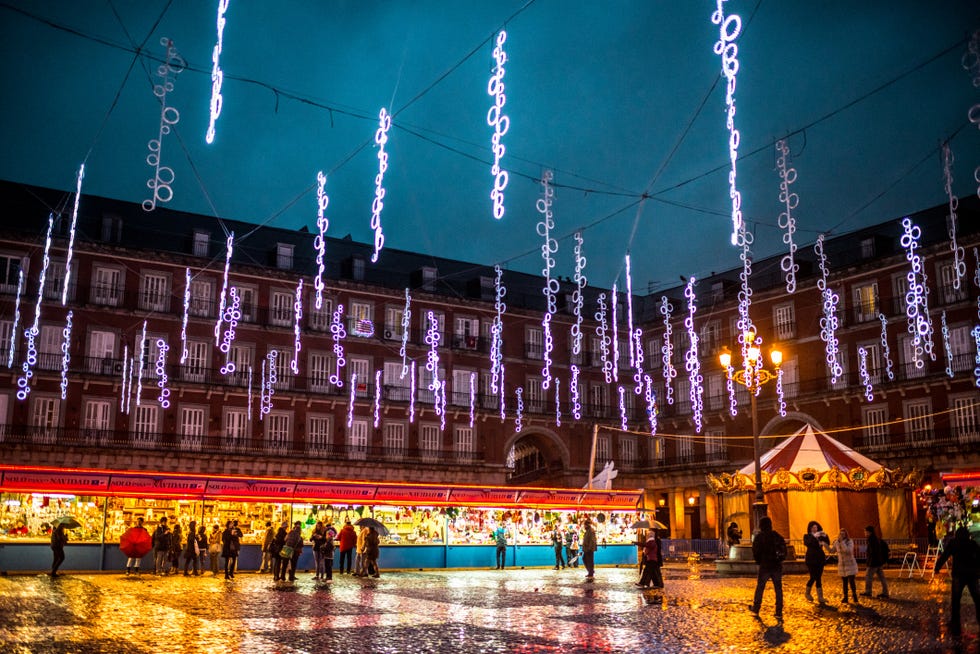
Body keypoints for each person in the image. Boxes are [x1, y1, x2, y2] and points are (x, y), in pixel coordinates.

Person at [934, 526, 980, 638]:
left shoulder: (954, 543)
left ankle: (955, 624)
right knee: (977, 599)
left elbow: (945, 555)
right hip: (972, 575)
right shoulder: (972, 544)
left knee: (955, 600)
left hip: (959, 575)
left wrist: (937, 567)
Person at [749, 516, 786, 619]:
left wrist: (759, 561)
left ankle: (756, 608)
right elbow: (783, 549)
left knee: (760, 587)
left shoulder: (759, 537)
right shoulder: (776, 536)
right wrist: (780, 559)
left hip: (765, 565)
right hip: (776, 566)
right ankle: (778, 611)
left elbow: (755, 551)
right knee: (778, 588)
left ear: (761, 526)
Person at [803, 520, 830, 603]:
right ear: (810, 528)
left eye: (816, 527)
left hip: (820, 558)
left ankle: (820, 597)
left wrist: (825, 536)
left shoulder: (820, 535)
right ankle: (807, 593)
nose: (815, 529)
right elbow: (808, 543)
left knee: (819, 577)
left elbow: (827, 542)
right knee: (813, 576)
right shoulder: (807, 536)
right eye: (813, 527)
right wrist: (814, 536)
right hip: (811, 558)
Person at [832, 528, 859, 604]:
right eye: (840, 534)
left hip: (850, 564)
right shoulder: (837, 542)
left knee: (851, 581)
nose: (842, 535)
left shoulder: (849, 541)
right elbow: (832, 550)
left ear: (846, 535)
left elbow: (848, 551)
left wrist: (842, 543)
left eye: (843, 534)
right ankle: (845, 597)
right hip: (842, 565)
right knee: (844, 582)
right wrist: (824, 544)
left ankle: (854, 596)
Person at [861, 525, 889, 598]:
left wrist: (869, 562)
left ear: (869, 532)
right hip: (879, 562)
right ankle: (885, 593)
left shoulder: (871, 540)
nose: (864, 533)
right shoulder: (876, 539)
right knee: (882, 578)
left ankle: (868, 591)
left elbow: (872, 552)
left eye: (865, 531)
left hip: (873, 563)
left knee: (868, 577)